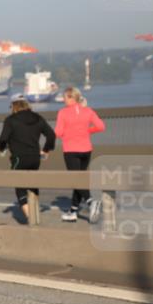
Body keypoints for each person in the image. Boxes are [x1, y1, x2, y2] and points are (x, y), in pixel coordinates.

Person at [0, 98, 56, 222]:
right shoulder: (38, 118)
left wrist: (2, 148)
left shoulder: (11, 120)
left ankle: (30, 217)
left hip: (19, 158)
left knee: (19, 185)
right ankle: (35, 213)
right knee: (32, 184)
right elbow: (51, 135)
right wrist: (46, 150)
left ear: (15, 108)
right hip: (35, 158)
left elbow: (3, 139)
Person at [54, 87, 105, 223]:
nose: (63, 99)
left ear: (71, 97)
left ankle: (91, 202)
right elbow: (101, 126)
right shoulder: (88, 111)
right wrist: (87, 131)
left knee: (76, 180)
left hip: (71, 150)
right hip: (86, 150)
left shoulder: (63, 112)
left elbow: (58, 132)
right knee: (80, 179)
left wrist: (65, 135)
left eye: (65, 97)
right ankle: (73, 211)